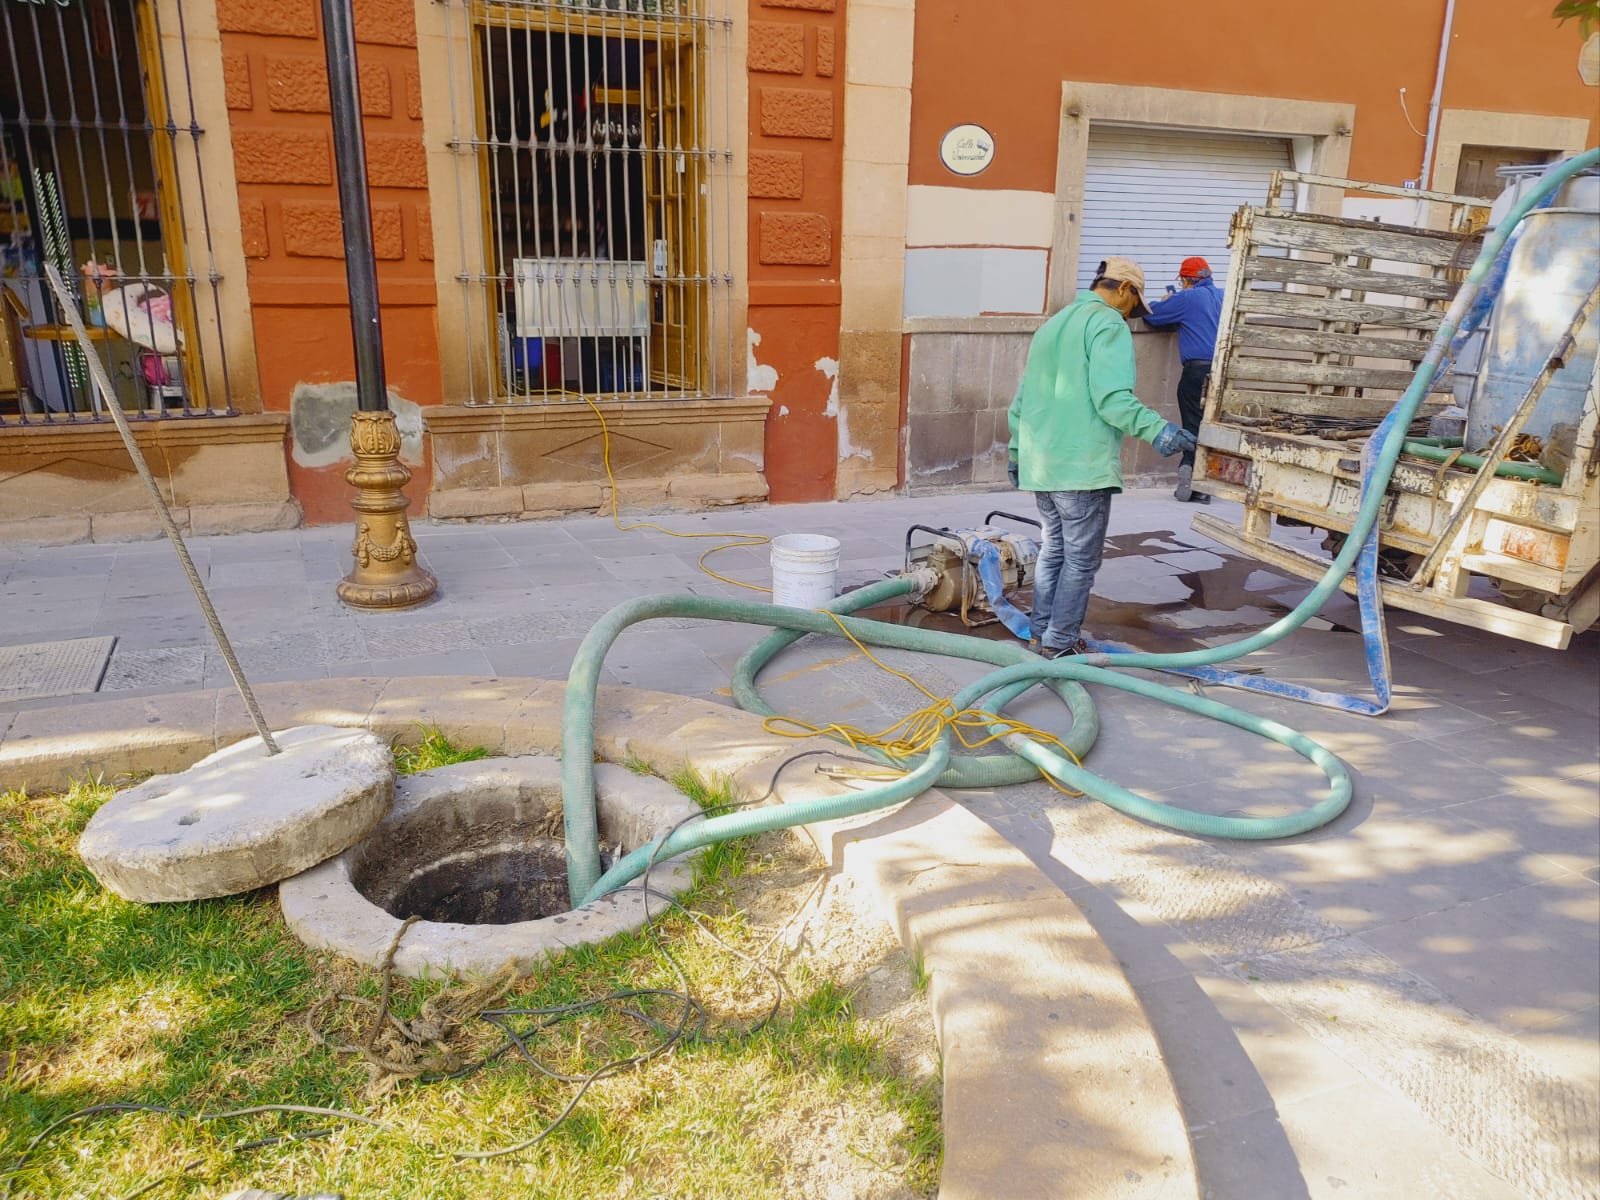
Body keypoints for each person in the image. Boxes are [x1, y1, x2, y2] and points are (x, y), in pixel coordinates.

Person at [1006, 256, 1196, 658]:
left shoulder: (1052, 325)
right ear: (1123, 290)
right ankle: (1059, 644)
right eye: (1134, 305)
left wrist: (1016, 451)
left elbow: (1021, 401)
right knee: (1079, 560)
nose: (1131, 317)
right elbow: (1112, 400)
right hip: (1081, 466)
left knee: (1053, 550)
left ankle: (1040, 634)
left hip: (1042, 465)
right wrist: (1160, 430)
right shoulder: (1106, 323)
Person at [1141, 255, 1223, 503]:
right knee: (1213, 426)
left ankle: (1191, 474)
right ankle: (1205, 484)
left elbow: (1151, 314)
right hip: (1222, 372)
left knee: (1193, 425)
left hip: (1196, 372)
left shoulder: (1186, 298)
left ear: (1186, 280)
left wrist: (1168, 300)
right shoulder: (1223, 296)